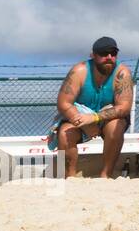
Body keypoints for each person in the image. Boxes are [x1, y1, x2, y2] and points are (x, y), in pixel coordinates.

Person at [51, 36, 134, 178]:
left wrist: (94, 118)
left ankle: (105, 175)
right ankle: (69, 178)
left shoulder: (122, 73)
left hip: (106, 118)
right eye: (103, 53)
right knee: (65, 133)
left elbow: (124, 107)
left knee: (117, 126)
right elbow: (64, 102)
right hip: (79, 116)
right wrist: (82, 122)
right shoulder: (79, 71)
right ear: (93, 55)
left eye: (113, 53)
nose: (109, 57)